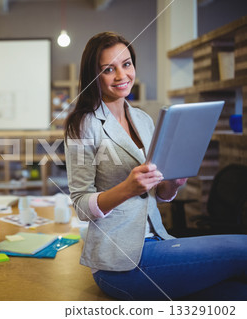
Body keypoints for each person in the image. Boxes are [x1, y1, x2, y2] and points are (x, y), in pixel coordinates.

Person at [64, 31, 247, 301]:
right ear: (94, 76)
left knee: (238, 294)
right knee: (242, 247)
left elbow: (157, 194)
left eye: (126, 64)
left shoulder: (144, 120)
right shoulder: (83, 125)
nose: (121, 75)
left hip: (160, 241)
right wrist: (127, 188)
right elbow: (80, 205)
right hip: (120, 262)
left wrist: (172, 182)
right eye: (108, 69)